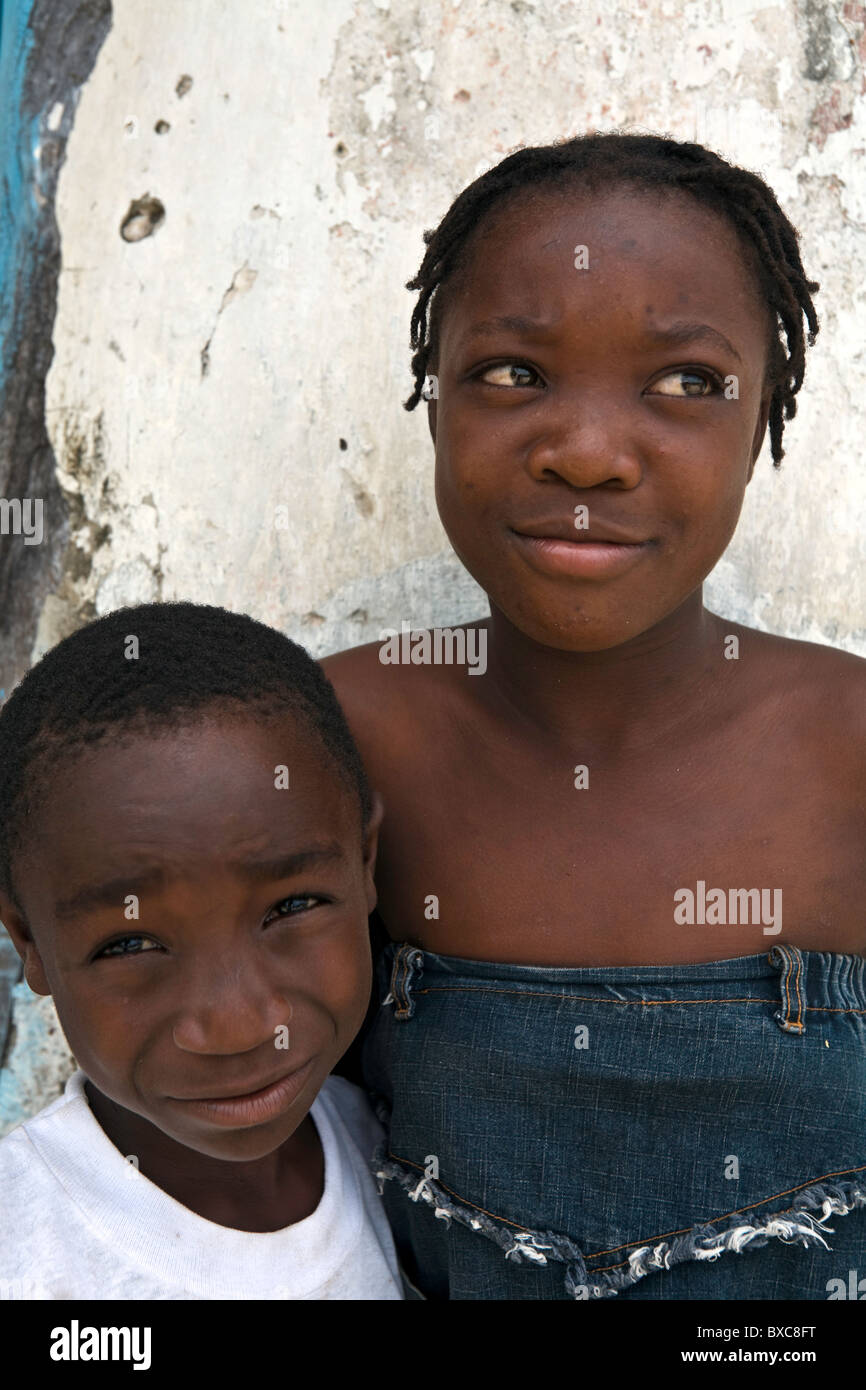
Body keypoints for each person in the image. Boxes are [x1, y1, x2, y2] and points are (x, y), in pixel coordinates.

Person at [324, 131, 866, 1299]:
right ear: (432, 403)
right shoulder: (335, 738)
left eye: (685, 383)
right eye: (512, 371)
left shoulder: (850, 751)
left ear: (765, 420)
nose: (584, 453)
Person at [0, 602, 407, 1300]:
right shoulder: (24, 1249)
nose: (238, 1027)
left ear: (365, 862)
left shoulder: (401, 1160)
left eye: (293, 906)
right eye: (130, 944)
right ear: (28, 943)